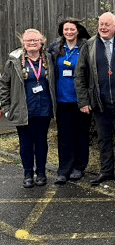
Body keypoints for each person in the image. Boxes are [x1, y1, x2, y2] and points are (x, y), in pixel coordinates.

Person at [75, 12, 115, 188]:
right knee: (103, 138)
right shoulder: (89, 45)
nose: (103, 27)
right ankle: (106, 171)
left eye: (107, 24)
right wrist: (83, 101)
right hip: (99, 100)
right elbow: (80, 74)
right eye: (101, 24)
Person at [0, 29, 56, 188]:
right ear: (23, 43)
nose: (32, 43)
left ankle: (41, 172)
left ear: (42, 42)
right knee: (25, 144)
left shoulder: (48, 59)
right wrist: (6, 107)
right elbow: (4, 84)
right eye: (28, 40)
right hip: (24, 110)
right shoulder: (14, 60)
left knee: (41, 143)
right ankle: (27, 173)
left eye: (35, 40)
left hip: (43, 109)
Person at [48, 18, 91, 184]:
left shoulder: (85, 46)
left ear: (78, 30)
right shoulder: (55, 47)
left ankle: (79, 167)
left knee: (81, 135)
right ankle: (64, 169)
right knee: (64, 136)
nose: (69, 32)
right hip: (62, 100)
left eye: (72, 29)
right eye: (66, 29)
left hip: (80, 100)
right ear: (62, 31)